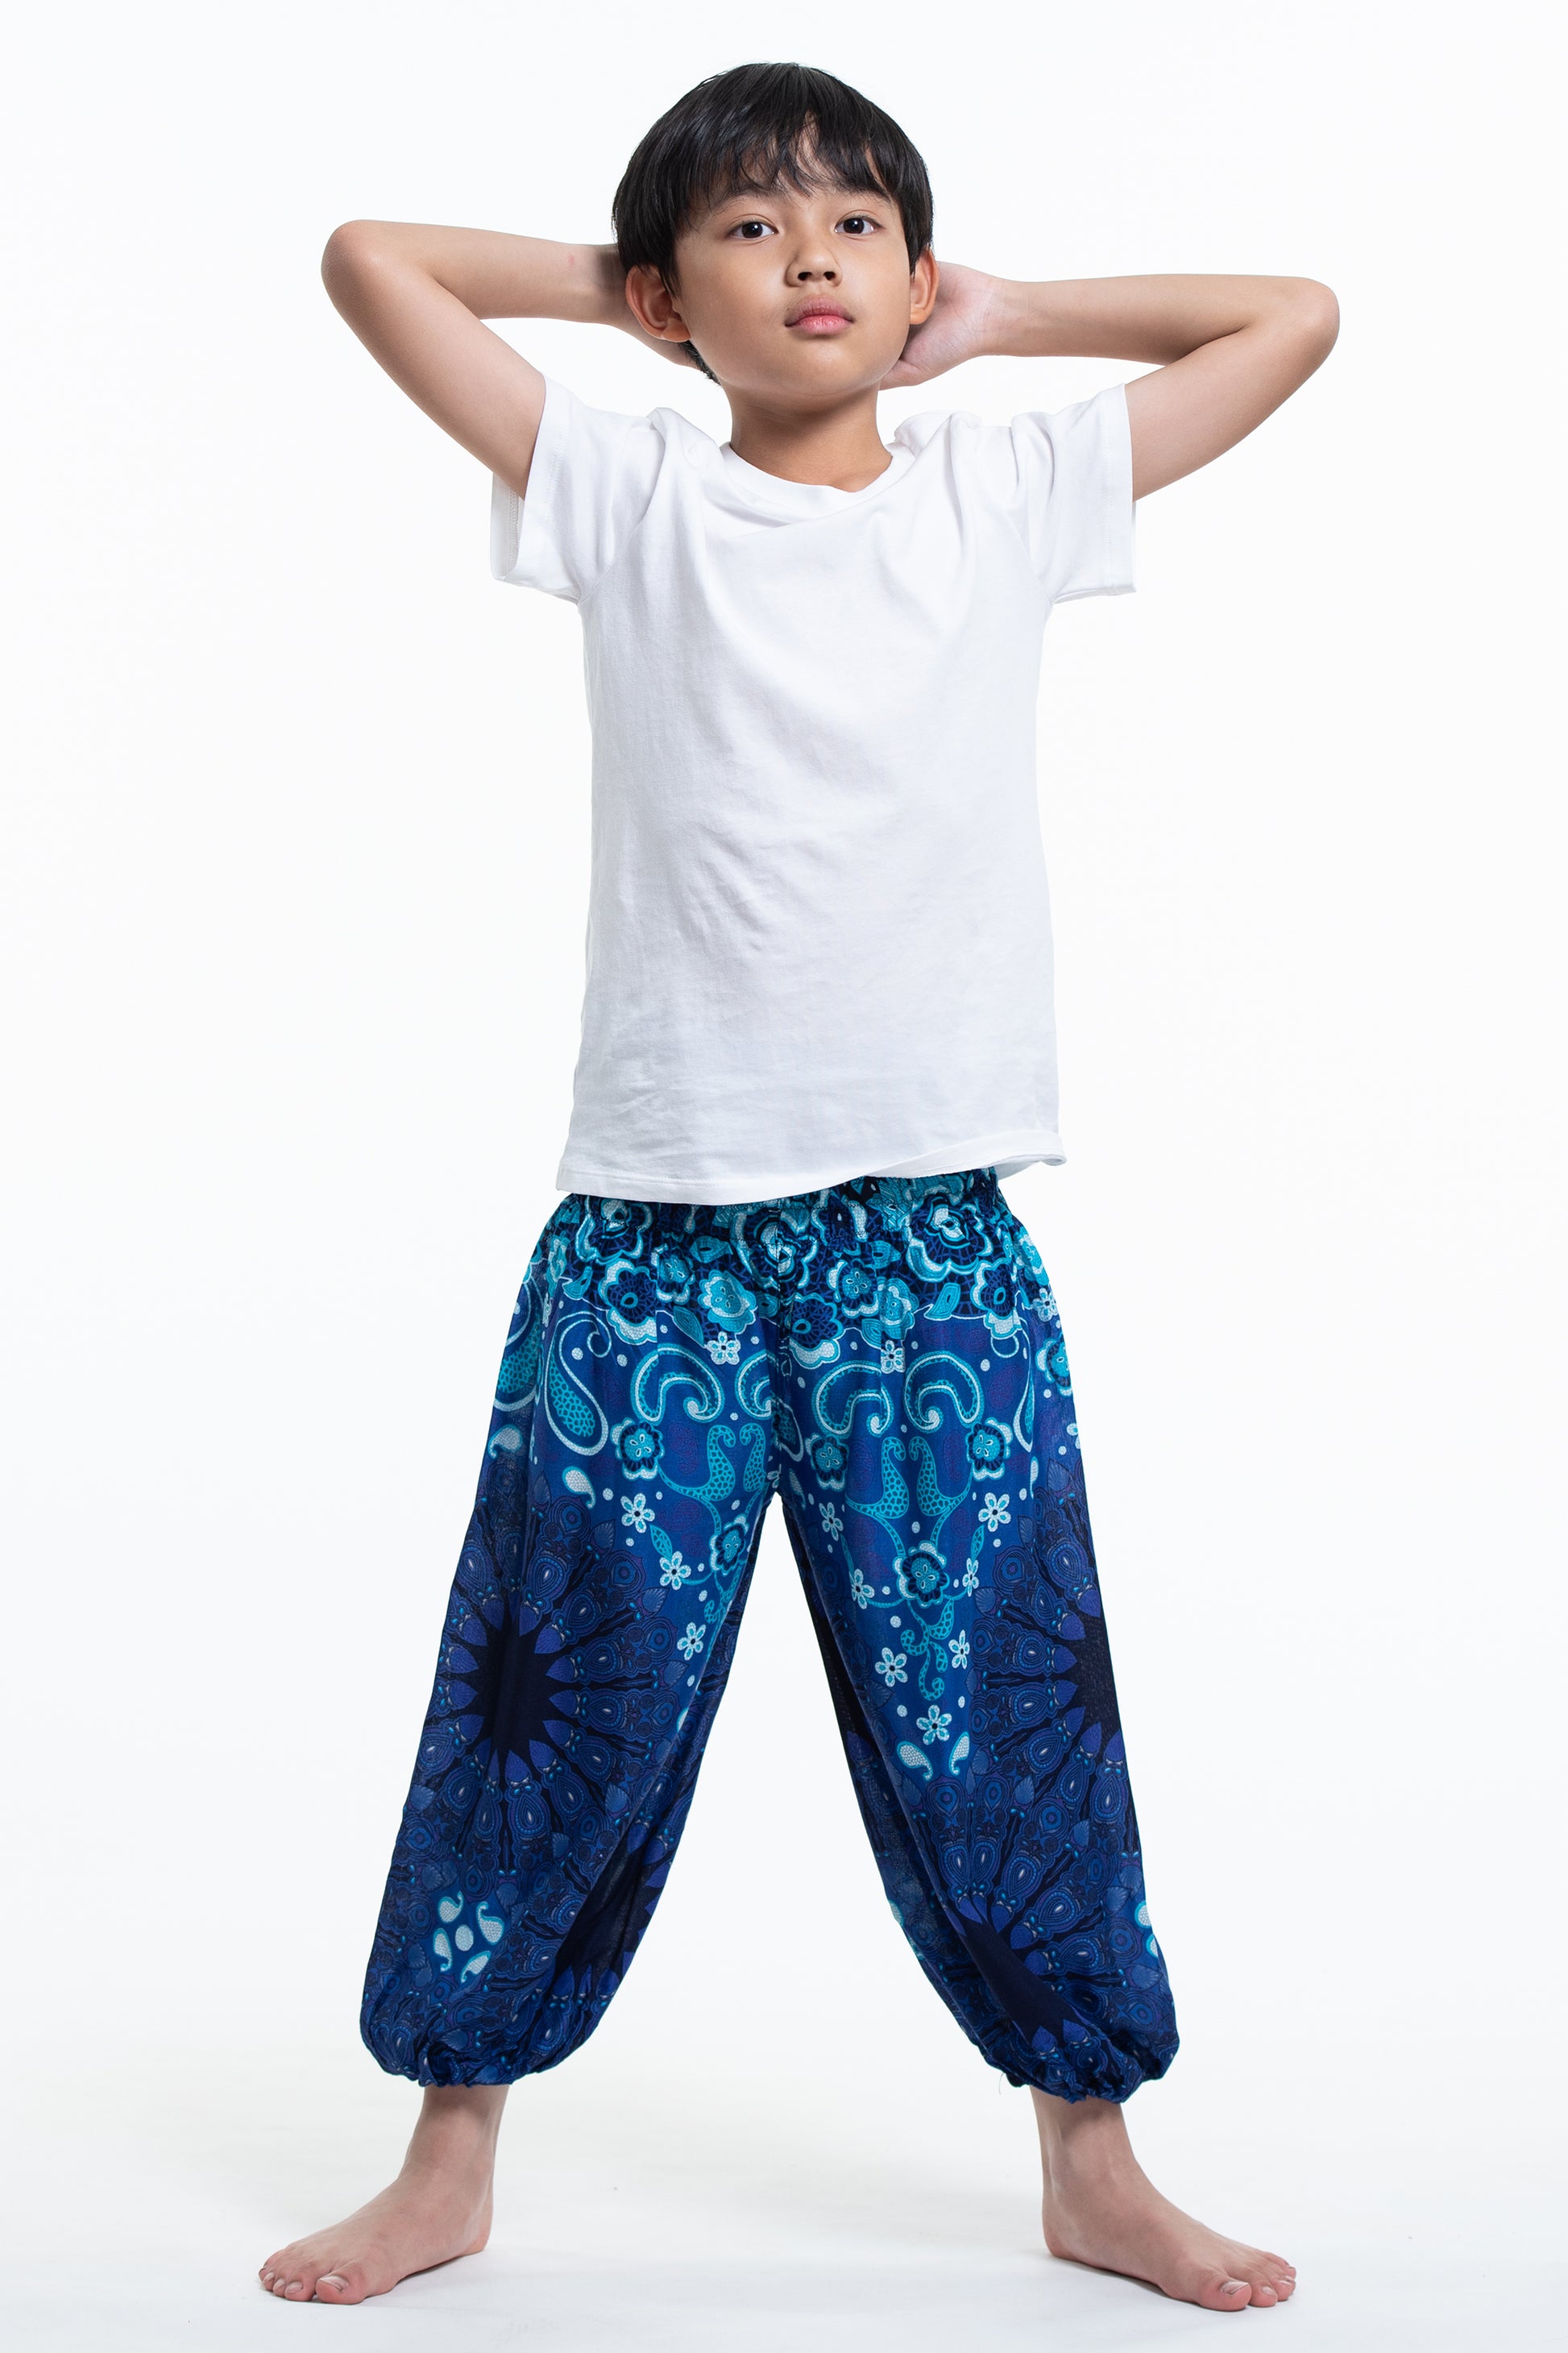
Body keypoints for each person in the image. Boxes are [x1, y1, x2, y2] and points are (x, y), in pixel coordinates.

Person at [259, 60, 1336, 2314]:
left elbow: (1291, 317)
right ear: (672, 299)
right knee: (555, 1695)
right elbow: (374, 261)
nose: (812, 259)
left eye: (854, 224)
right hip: (651, 1236)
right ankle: (450, 2148)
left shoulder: (1005, 490)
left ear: (916, 274)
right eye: (751, 230)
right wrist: (633, 298)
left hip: (926, 1239)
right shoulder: (625, 488)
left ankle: (1092, 2155)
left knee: (1005, 1708)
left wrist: (1007, 315)